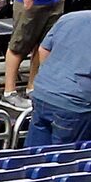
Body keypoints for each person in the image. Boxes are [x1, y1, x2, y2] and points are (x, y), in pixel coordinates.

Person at [26, 9, 91, 147]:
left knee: (34, 156)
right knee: (63, 163)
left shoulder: (70, 17)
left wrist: (54, 79)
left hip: (43, 93)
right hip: (73, 105)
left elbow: (43, 50)